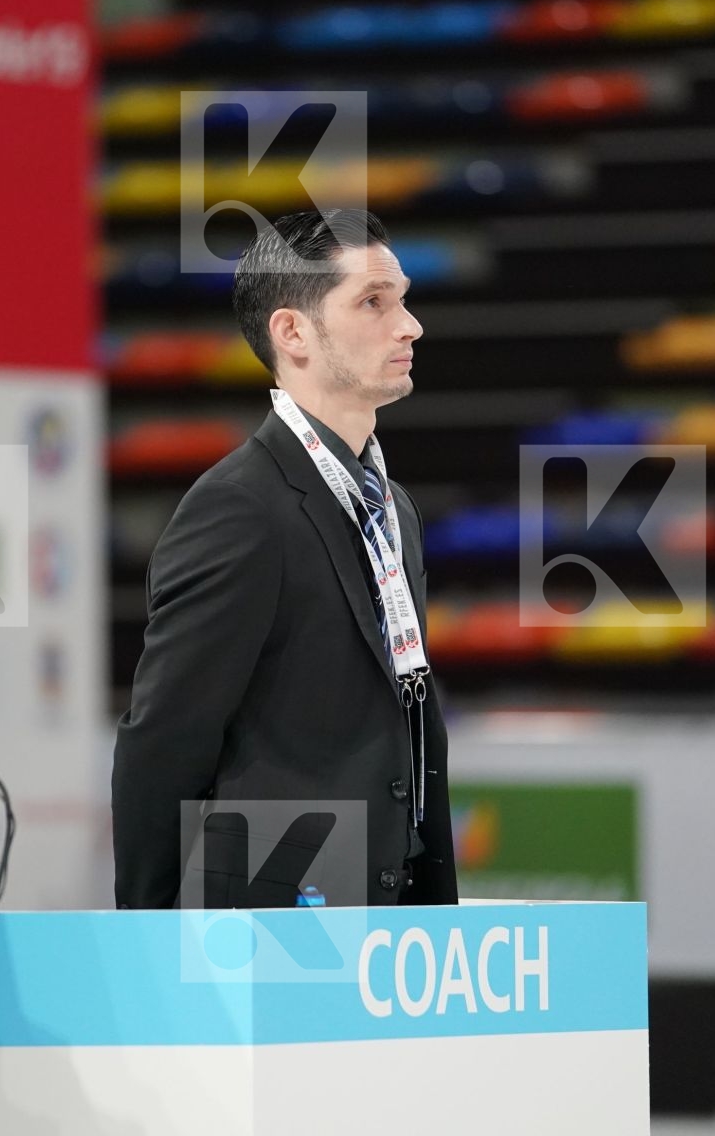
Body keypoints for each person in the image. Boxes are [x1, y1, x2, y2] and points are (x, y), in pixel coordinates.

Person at [112, 208, 458, 910]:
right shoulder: (239, 508)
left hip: (394, 911)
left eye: (403, 299)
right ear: (292, 331)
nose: (409, 325)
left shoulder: (393, 506)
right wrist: (142, 938)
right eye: (373, 302)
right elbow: (164, 740)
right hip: (275, 906)